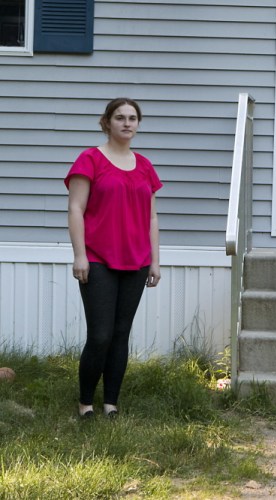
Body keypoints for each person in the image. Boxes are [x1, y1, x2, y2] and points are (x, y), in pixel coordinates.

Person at [65, 98, 162, 419]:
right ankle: (85, 403)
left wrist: (155, 260)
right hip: (97, 259)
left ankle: (111, 404)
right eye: (119, 117)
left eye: (133, 118)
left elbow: (151, 218)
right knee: (100, 335)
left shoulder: (145, 166)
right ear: (106, 122)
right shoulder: (90, 159)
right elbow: (76, 209)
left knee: (121, 333)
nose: (127, 123)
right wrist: (80, 255)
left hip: (136, 262)